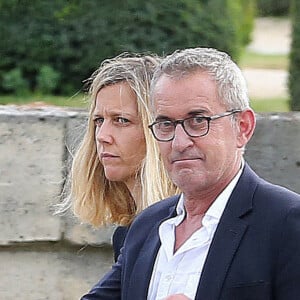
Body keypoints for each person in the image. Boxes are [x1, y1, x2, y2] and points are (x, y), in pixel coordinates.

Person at [80, 47, 300, 300]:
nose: (179, 141)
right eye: (166, 124)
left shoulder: (287, 223)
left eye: (198, 121)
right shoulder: (146, 226)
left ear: (243, 127)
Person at [58, 53, 177, 261]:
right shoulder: (126, 235)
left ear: (160, 129)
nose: (102, 136)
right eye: (98, 121)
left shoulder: (186, 231)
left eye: (121, 120)